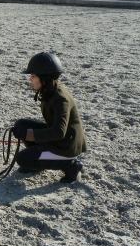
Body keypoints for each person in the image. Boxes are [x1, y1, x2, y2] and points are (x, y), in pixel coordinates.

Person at [12, 52, 86, 184]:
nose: (30, 79)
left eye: (33, 76)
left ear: (44, 79)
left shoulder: (60, 99)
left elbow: (59, 132)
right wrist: (26, 132)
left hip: (67, 146)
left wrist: (29, 134)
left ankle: (71, 165)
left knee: (23, 158)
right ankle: (39, 163)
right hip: (61, 139)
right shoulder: (50, 90)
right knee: (21, 125)